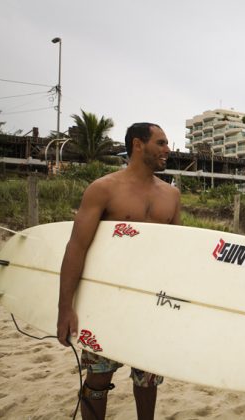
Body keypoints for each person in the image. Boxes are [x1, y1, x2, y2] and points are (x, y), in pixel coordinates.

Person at [56, 122, 181, 420]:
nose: (168, 149)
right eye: (161, 142)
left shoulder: (171, 195)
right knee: (98, 377)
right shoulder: (103, 189)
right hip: (107, 299)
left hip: (151, 300)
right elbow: (76, 247)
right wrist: (65, 307)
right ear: (138, 145)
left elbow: (177, 254)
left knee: (148, 379)